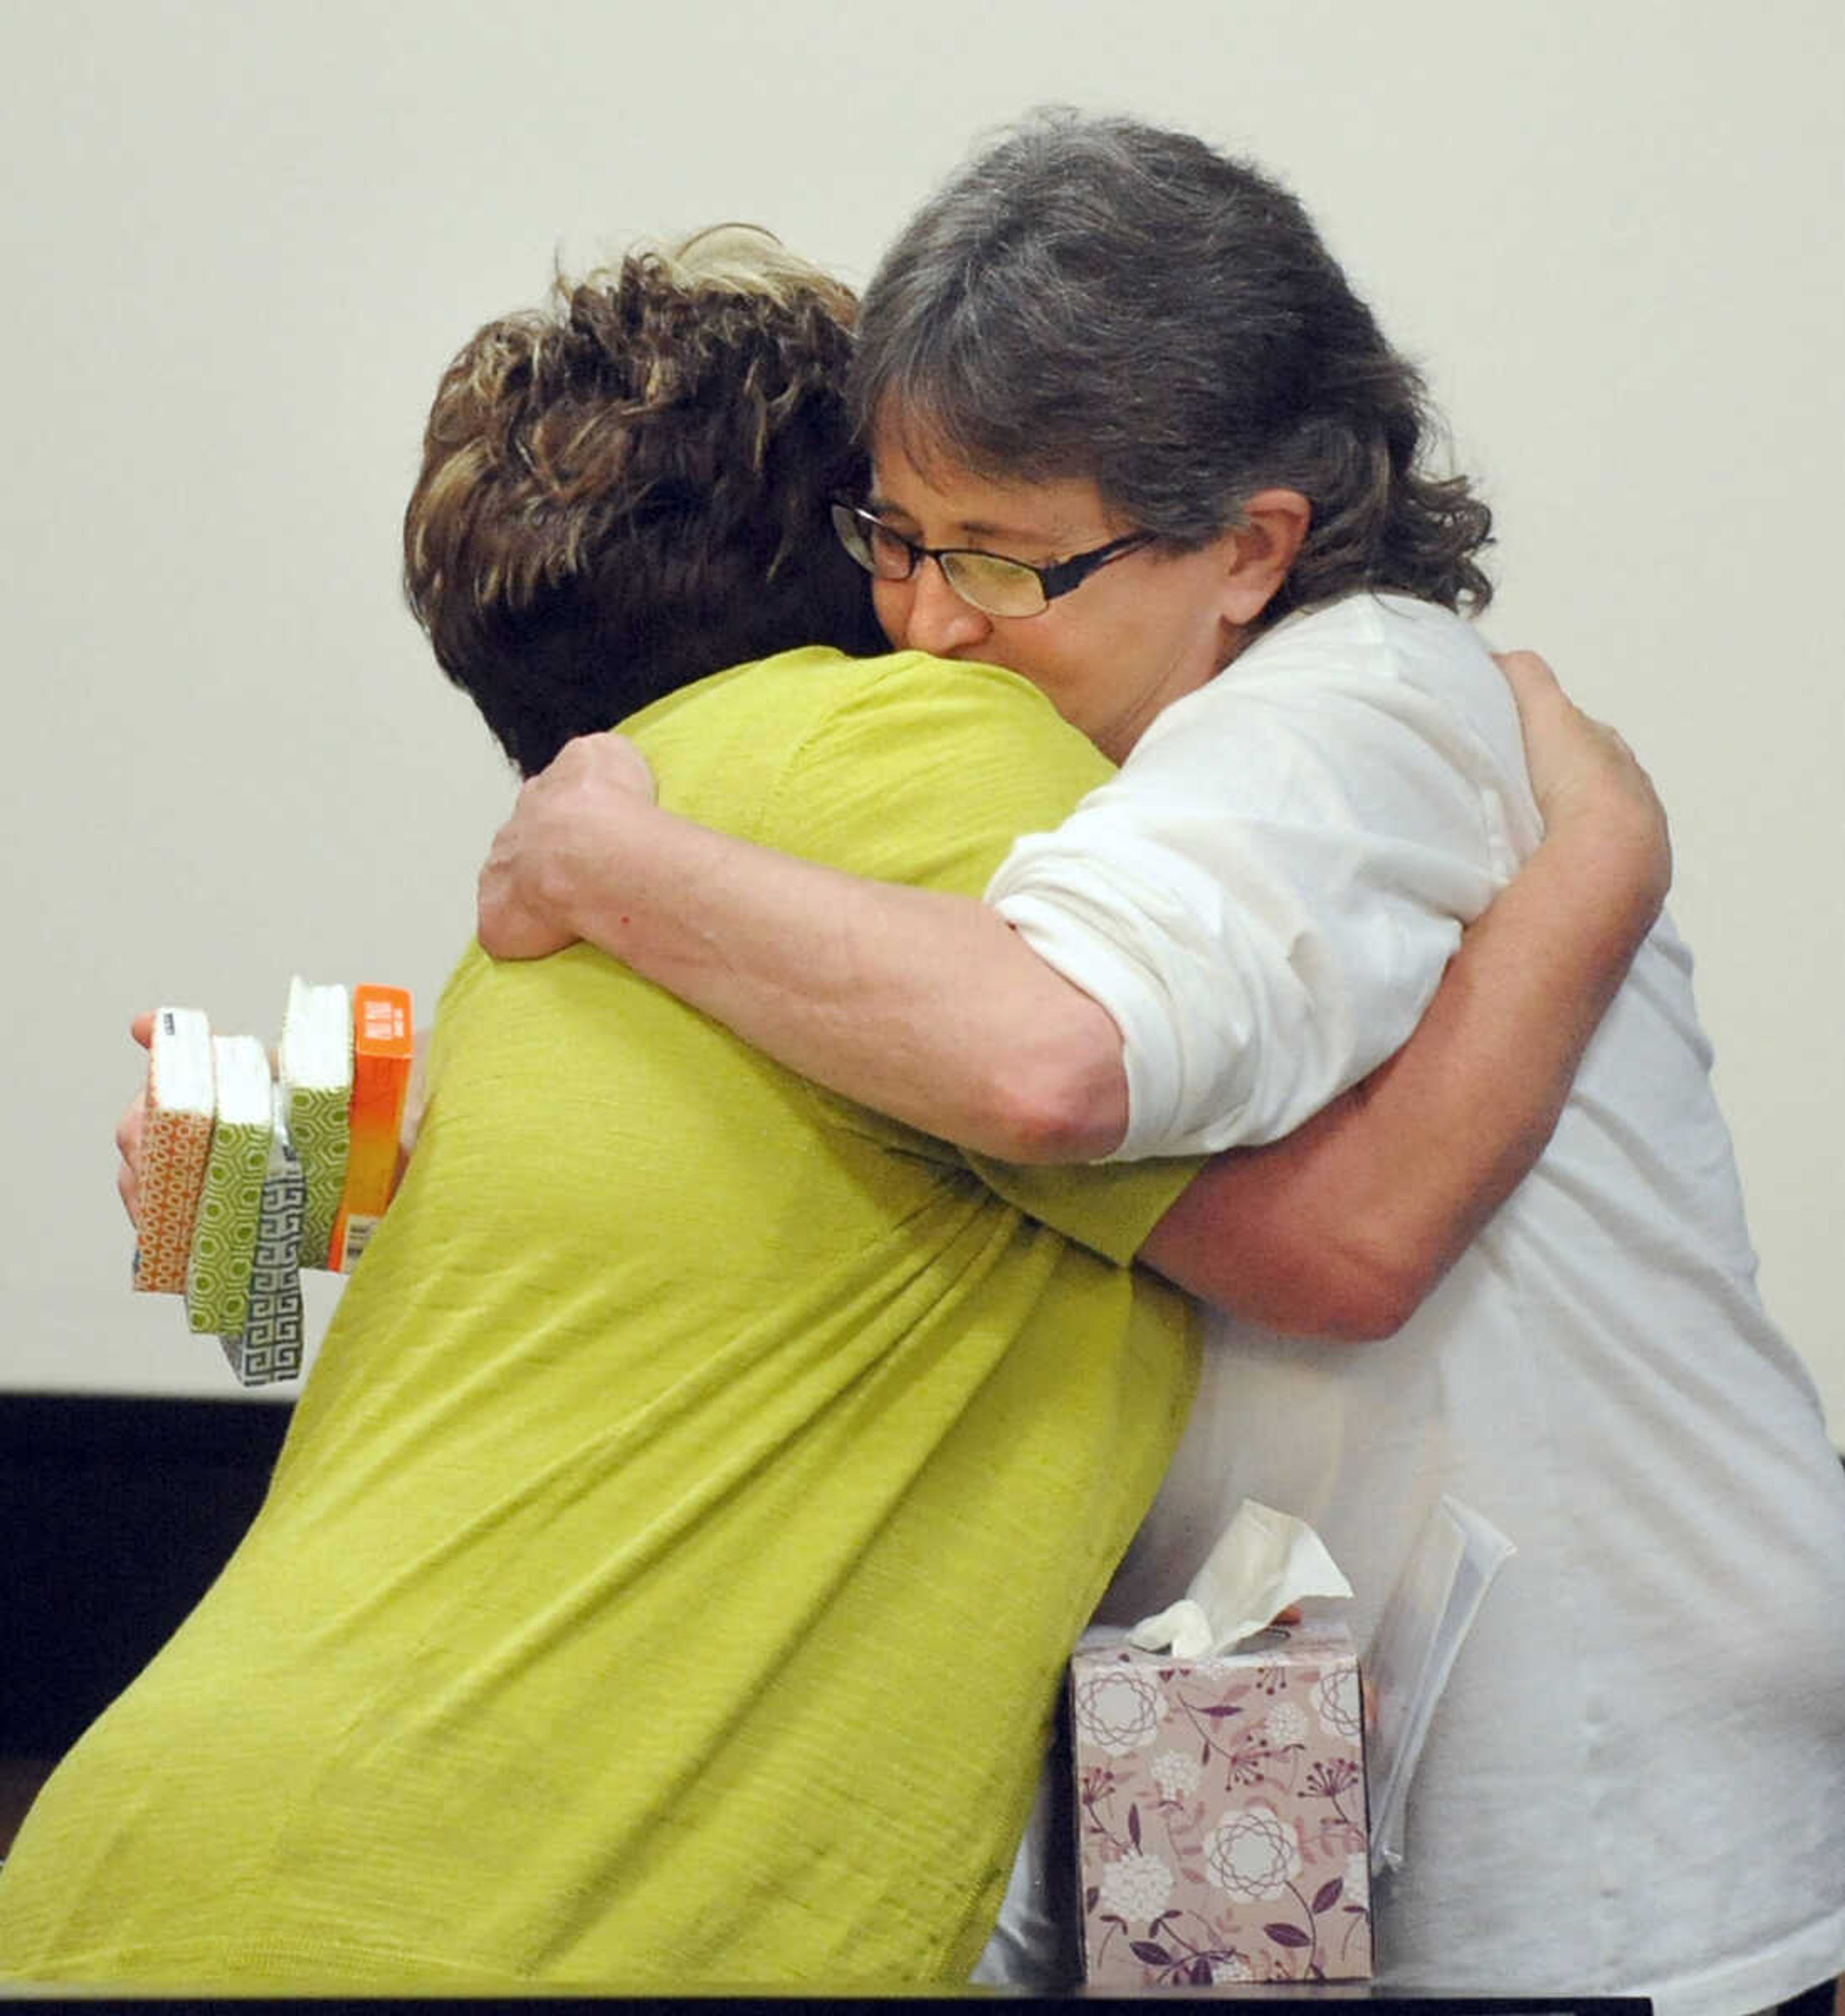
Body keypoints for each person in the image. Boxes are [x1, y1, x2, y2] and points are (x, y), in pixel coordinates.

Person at [0, 232, 1658, 1992]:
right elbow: (1338, 1237)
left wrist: (259, 1164)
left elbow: (271, 1233)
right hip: (501, 1924)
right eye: (913, 525)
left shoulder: (583, 886)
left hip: (144, 1854)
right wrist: (1608, 856)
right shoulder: (926, 765)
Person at [474, 120, 1845, 2016]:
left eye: (1008, 566)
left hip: (1594, 1779)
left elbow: (1062, 1070)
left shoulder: (1340, 717)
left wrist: (609, 860)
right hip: (1267, 1774)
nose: (931, 624)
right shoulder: (1086, 764)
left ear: (1252, 548)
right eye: (900, 539)